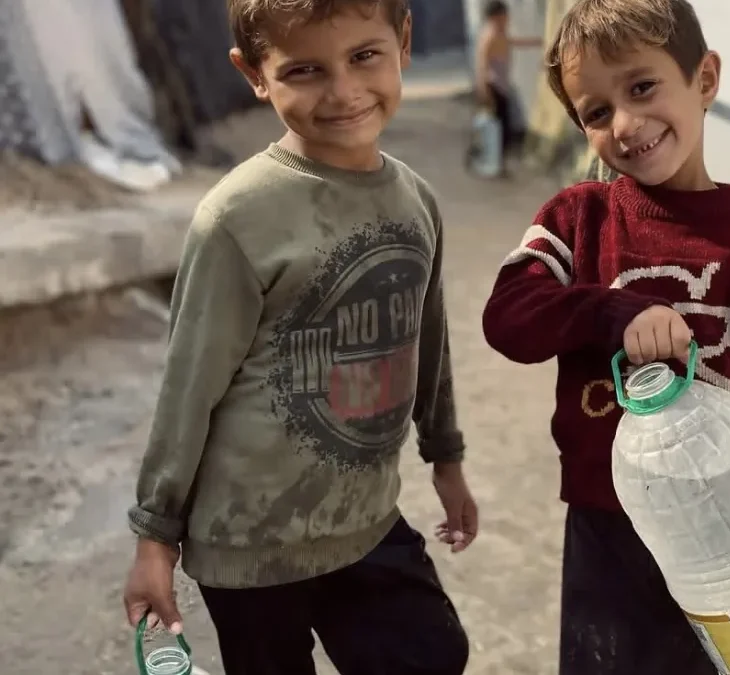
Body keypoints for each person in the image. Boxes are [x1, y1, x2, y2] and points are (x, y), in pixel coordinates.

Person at [480, 0, 730, 673]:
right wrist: (611, 313)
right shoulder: (579, 219)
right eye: (597, 112)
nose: (626, 125)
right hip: (607, 535)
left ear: (705, 78)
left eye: (641, 87)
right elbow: (508, 316)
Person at [121, 1, 478, 674]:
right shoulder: (236, 216)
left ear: (402, 42)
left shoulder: (416, 200)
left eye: (363, 56)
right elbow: (187, 386)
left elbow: (428, 344)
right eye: (306, 69)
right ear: (255, 73)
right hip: (249, 542)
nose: (342, 91)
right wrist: (153, 538)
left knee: (431, 653)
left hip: (367, 519)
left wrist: (446, 457)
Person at [473, 0, 542, 168]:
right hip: (493, 86)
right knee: (501, 127)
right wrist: (483, 90)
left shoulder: (500, 33)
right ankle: (495, 161)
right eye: (504, 16)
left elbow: (513, 42)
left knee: (503, 126)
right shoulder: (489, 35)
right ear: (496, 17)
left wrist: (536, 42)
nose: (507, 19)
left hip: (501, 86)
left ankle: (497, 161)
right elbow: (482, 64)